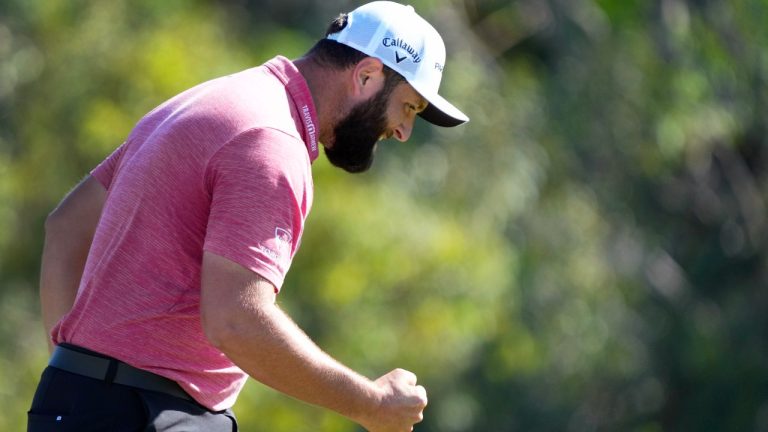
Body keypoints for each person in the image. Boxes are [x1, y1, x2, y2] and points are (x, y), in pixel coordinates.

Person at [28, 1, 468, 431]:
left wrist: (75, 371)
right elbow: (236, 320)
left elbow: (66, 227)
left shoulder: (216, 97)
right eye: (408, 107)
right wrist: (371, 404)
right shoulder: (271, 141)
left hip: (78, 401)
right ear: (367, 75)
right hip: (147, 411)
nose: (404, 131)